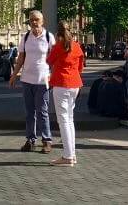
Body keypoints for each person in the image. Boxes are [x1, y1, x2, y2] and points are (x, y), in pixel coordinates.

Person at [10, 9, 55, 154]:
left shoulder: (49, 37)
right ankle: (30, 140)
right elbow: (21, 59)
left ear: (42, 21)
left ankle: (47, 141)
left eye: (36, 19)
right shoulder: (25, 37)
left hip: (43, 80)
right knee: (29, 113)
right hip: (27, 80)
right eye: (31, 20)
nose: (34, 22)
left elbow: (54, 60)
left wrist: (53, 76)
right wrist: (14, 75)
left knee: (42, 112)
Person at [46, 20, 85, 167]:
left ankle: (68, 156)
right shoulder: (77, 46)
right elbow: (81, 67)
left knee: (63, 121)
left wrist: (55, 44)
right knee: (69, 119)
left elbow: (49, 61)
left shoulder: (58, 46)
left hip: (61, 84)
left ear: (58, 32)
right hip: (75, 84)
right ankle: (71, 154)